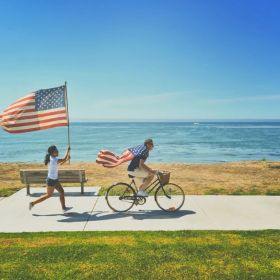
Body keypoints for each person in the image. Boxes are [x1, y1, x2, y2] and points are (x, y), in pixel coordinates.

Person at [29, 145, 71, 212]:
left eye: (57, 150)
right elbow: (63, 158)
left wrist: (66, 159)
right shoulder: (54, 159)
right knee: (48, 195)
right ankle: (32, 203)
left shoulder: (51, 158)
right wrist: (68, 150)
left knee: (62, 192)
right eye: (56, 150)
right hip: (51, 180)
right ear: (52, 152)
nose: (58, 151)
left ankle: (63, 208)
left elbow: (59, 164)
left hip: (55, 179)